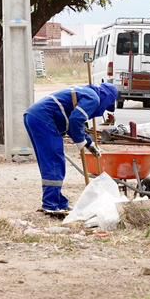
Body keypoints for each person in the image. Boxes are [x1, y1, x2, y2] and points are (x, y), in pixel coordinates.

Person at [24, 82, 119, 217]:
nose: (103, 111)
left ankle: (58, 201)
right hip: (43, 118)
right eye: (106, 107)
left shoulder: (88, 93)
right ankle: (50, 204)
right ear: (107, 98)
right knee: (54, 159)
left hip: (35, 116)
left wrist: (89, 144)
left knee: (51, 160)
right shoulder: (94, 99)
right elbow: (75, 121)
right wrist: (80, 142)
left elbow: (75, 123)